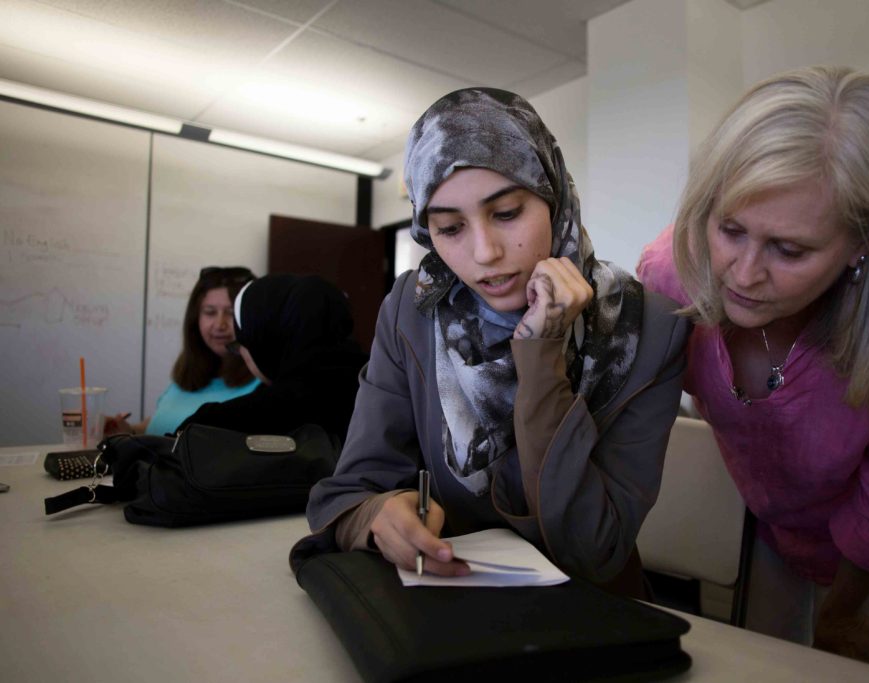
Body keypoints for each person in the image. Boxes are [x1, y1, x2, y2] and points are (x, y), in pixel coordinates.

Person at [292, 88, 689, 598]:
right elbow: (350, 489)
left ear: (554, 197)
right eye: (450, 227)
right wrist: (377, 515)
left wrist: (542, 352)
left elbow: (593, 547)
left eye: (506, 213)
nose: (484, 253)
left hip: (591, 620)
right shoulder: (413, 312)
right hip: (442, 608)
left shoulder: (647, 328)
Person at [636, 66, 869, 667]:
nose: (741, 274)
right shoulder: (670, 274)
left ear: (863, 241)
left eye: (790, 250)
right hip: (768, 518)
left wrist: (843, 612)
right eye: (730, 229)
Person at [177, 273, 367, 441]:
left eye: (241, 344)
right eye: (210, 312)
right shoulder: (384, 394)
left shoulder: (215, 424)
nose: (219, 325)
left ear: (267, 342)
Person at [104, 266, 260, 437]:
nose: (219, 324)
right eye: (210, 312)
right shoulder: (187, 377)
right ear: (195, 319)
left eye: (230, 313)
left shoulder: (262, 384)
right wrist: (130, 431)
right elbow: (161, 424)